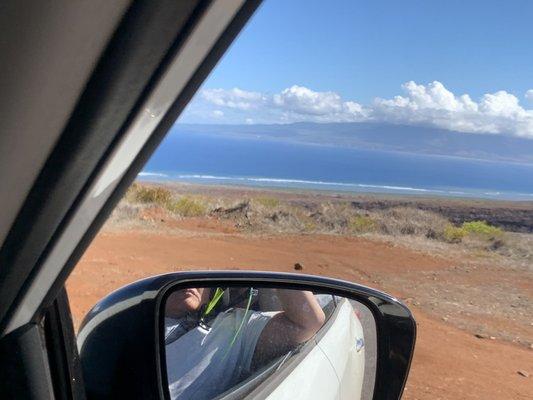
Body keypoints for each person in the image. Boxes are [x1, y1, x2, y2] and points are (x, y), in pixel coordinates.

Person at [164, 287, 325, 400]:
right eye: (176, 270)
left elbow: (307, 323)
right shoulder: (142, 317)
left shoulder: (233, 327)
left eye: (198, 273)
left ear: (211, 291)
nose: (191, 284)